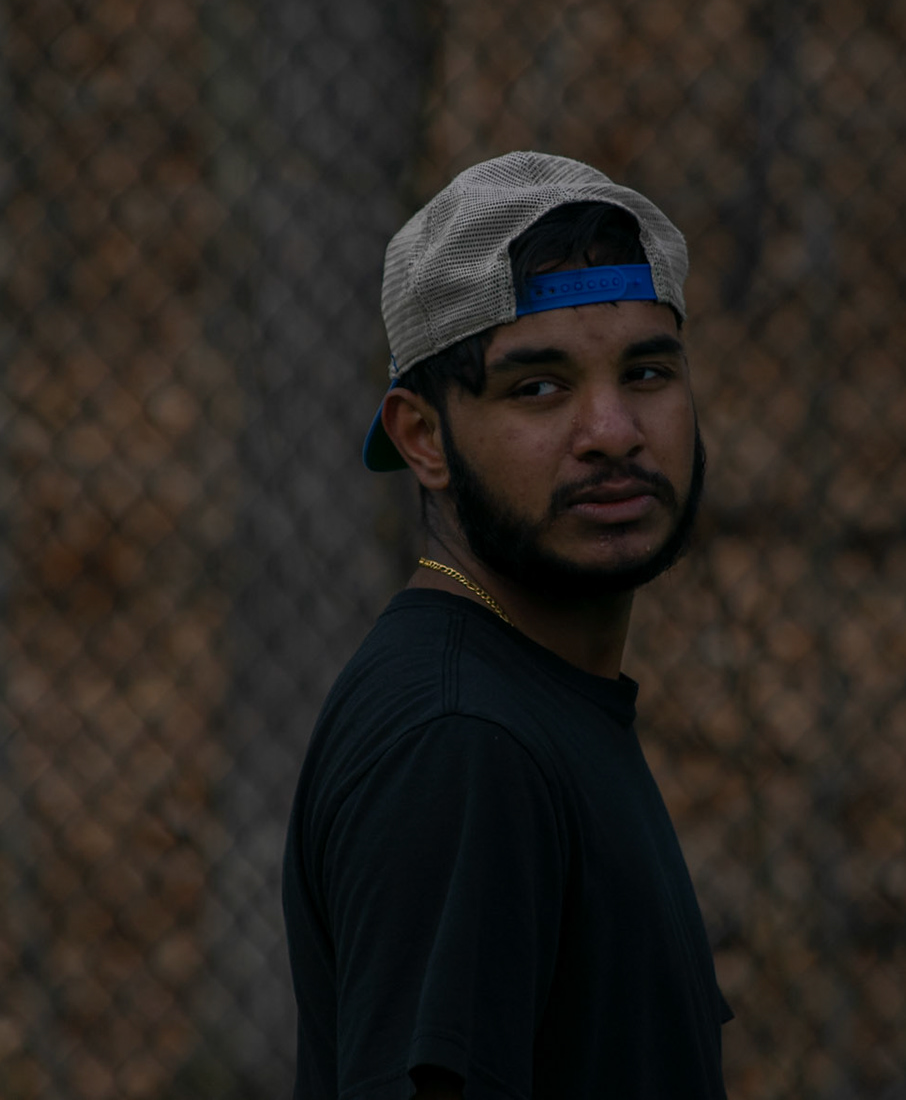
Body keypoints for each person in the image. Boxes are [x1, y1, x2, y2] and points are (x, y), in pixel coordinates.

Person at [282, 151, 729, 1099]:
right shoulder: (461, 743)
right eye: (539, 387)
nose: (613, 430)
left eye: (648, 372)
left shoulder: (534, 697)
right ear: (423, 438)